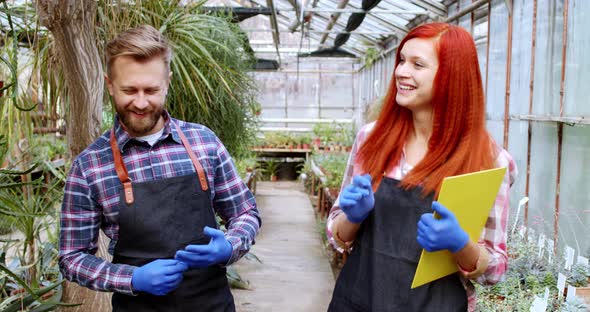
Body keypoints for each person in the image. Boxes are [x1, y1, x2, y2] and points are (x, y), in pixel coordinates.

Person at [58, 25, 260, 312]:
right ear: (110, 84)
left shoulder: (205, 143)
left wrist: (229, 246)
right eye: (129, 90)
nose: (140, 102)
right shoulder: (89, 167)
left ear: (167, 82)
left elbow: (244, 212)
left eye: (151, 90)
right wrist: (132, 278)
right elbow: (72, 256)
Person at [326, 22, 517, 312]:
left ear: (452, 77)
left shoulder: (488, 162)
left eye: (417, 64)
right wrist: (352, 217)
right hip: (358, 300)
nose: (401, 71)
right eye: (402, 60)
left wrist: (461, 244)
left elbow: (495, 269)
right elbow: (337, 233)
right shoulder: (371, 139)